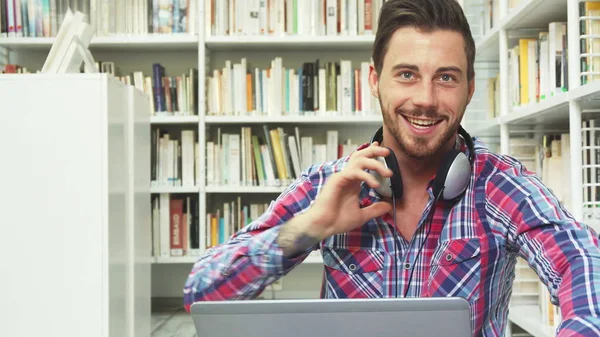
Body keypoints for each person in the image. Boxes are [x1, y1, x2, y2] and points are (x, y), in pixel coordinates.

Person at [183, 0, 600, 335]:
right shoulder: (328, 185)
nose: (425, 99)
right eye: (406, 74)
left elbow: (582, 262)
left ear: (470, 88)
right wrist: (309, 227)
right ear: (374, 80)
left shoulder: (500, 184)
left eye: (447, 78)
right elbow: (202, 291)